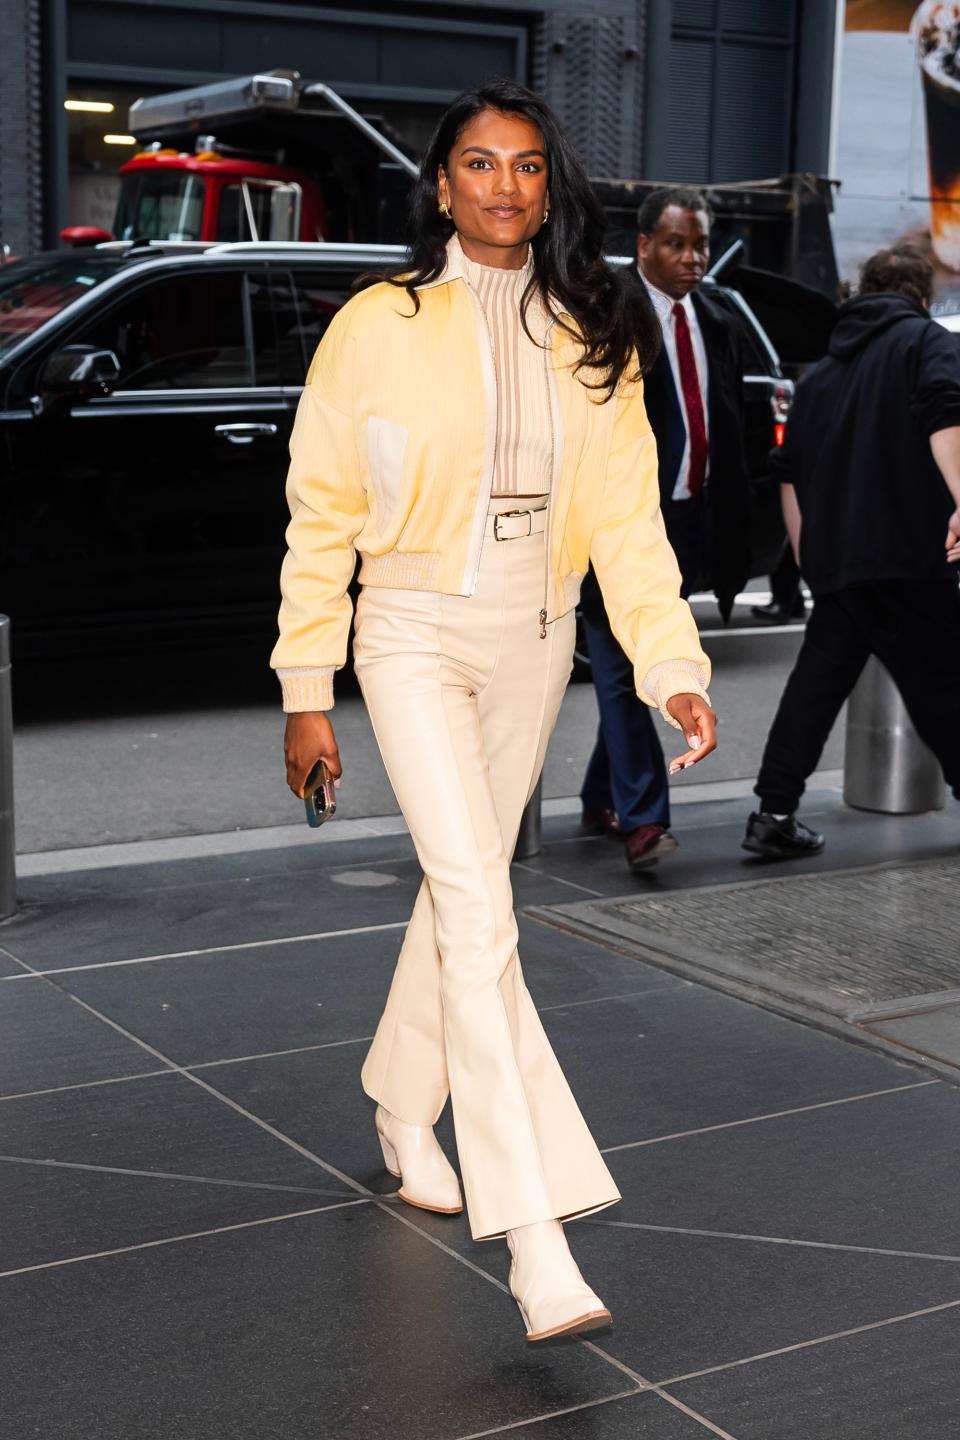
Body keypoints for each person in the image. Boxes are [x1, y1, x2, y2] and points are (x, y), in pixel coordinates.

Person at [271, 80, 717, 1343]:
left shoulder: (595, 327)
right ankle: (536, 1241)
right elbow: (322, 514)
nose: (504, 186)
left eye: (527, 166)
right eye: (479, 164)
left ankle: (399, 1098)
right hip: (409, 628)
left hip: (534, 635)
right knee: (479, 906)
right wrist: (309, 689)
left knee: (457, 892)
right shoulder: (378, 322)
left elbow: (629, 521)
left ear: (548, 184)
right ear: (443, 182)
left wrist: (667, 662)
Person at [744, 245, 960, 858]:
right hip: (909, 556)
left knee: (813, 689)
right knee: (947, 686)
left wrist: (812, 554)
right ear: (920, 296)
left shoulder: (822, 373)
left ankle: (773, 812)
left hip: (839, 561)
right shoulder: (924, 342)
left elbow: (788, 471)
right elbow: (947, 412)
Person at [579, 186, 749, 871]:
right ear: (643, 244)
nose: (693, 257)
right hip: (615, 520)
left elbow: (728, 426)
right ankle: (644, 818)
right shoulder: (606, 311)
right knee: (619, 668)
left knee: (636, 659)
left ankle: (601, 793)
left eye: (701, 244)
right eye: (677, 244)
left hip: (686, 519)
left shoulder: (717, 317)